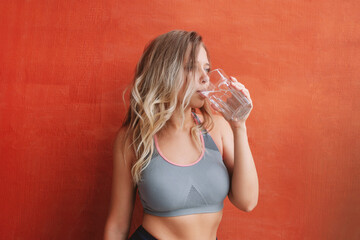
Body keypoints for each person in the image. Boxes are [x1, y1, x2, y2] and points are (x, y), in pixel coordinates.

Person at [104, 30, 259, 240]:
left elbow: (247, 201)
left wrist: (239, 126)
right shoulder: (133, 138)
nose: (205, 78)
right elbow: (118, 225)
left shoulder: (220, 128)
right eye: (191, 68)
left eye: (207, 69)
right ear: (165, 72)